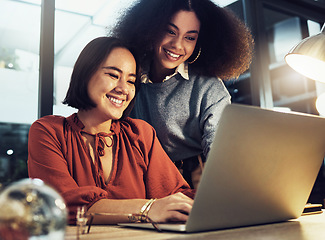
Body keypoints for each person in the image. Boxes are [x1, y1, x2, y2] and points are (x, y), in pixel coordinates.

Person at [28, 37, 195, 225]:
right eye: (113, 75)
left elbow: (177, 197)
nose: (124, 89)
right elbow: (62, 204)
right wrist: (148, 209)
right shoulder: (48, 131)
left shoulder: (140, 133)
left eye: (131, 81)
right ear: (85, 74)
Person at [111, 0, 254, 188]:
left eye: (190, 37)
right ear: (151, 28)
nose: (177, 45)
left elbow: (220, 147)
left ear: (200, 41)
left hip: (193, 183)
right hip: (136, 181)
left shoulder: (208, 87)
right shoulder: (129, 74)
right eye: (170, 31)